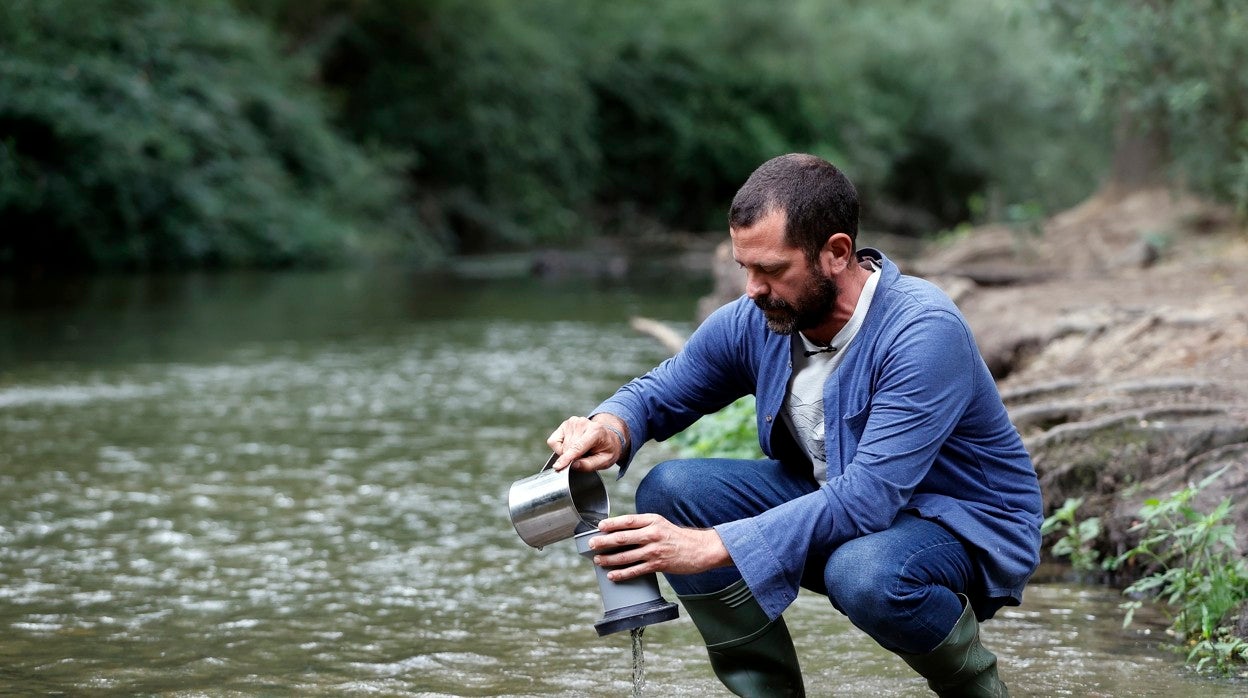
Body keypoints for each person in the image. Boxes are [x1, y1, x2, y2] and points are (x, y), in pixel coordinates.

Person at [547, 153, 1042, 697]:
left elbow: (867, 500)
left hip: (961, 523)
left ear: (836, 253)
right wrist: (610, 427)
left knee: (863, 573)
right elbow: (663, 390)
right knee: (672, 489)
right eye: (745, 268)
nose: (753, 288)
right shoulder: (761, 317)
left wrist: (715, 547)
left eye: (773, 270)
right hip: (843, 503)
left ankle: (980, 691)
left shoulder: (922, 331)